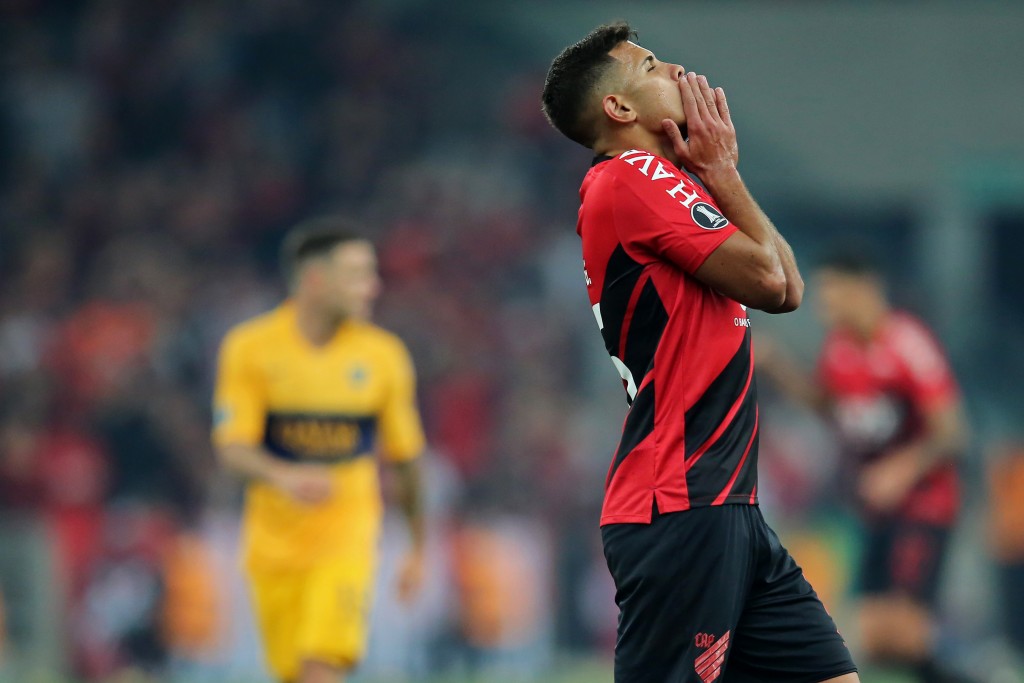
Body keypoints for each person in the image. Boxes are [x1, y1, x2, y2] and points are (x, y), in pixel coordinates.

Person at [541, 21, 858, 683]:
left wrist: (718, 175)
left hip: (728, 504)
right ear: (620, 109)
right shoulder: (629, 176)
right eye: (650, 64)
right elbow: (773, 283)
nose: (673, 68)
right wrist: (721, 170)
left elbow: (789, 283)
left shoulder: (660, 180)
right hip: (679, 504)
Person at [212, 219, 426, 683]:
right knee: (294, 673)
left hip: (346, 537)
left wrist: (415, 543)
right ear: (314, 279)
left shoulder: (382, 356)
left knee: (319, 668)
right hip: (272, 545)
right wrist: (282, 476)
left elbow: (405, 459)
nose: (373, 287)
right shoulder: (250, 348)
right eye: (357, 275)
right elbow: (232, 447)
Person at [758, 250, 972, 683]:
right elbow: (829, 408)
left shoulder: (908, 344)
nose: (824, 307)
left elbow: (952, 431)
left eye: (833, 294)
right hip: (877, 510)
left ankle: (981, 672)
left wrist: (900, 470)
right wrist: (776, 365)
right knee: (881, 637)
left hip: (924, 505)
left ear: (866, 290)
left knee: (889, 630)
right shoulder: (839, 351)